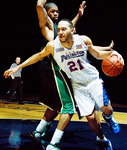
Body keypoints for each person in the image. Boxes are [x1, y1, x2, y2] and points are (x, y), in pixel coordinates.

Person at [4, 19, 124, 150]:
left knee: (107, 109)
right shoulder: (52, 46)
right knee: (90, 117)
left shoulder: (83, 40)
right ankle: (103, 140)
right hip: (77, 85)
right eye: (59, 29)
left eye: (64, 29)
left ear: (72, 30)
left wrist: (113, 53)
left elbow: (97, 54)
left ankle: (109, 118)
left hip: (92, 80)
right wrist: (18, 67)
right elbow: (38, 56)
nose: (60, 32)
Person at [28, 0, 87, 146]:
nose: (56, 13)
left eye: (57, 11)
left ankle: (37, 132)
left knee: (54, 104)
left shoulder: (57, 28)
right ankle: (53, 144)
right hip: (50, 69)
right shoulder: (46, 26)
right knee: (68, 106)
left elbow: (67, 28)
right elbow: (39, 6)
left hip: (49, 68)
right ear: (46, 14)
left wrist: (78, 16)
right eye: (52, 12)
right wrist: (41, 4)